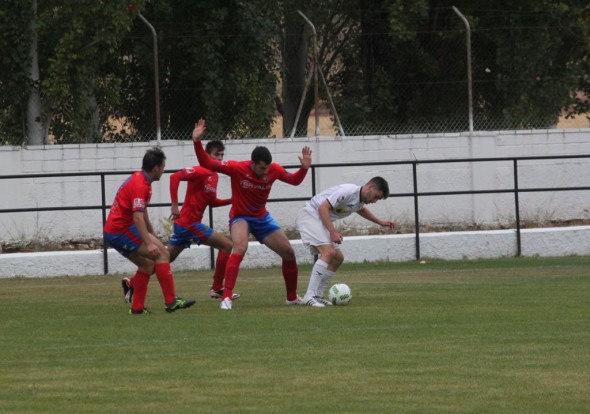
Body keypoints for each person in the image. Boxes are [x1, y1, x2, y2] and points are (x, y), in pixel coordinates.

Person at [191, 118, 312, 310]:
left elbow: (294, 181)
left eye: (267, 168)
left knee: (289, 252)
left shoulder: (274, 170)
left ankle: (291, 297)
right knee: (240, 247)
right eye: (262, 167)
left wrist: (304, 168)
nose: (265, 172)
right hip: (240, 216)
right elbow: (206, 162)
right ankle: (227, 297)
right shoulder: (237, 168)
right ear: (253, 163)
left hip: (262, 217)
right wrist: (196, 142)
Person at [104, 147, 196, 315]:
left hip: (117, 229)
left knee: (147, 264)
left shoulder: (142, 180)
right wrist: (149, 242)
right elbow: (137, 217)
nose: (163, 170)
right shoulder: (141, 185)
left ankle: (137, 308)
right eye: (162, 167)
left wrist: (151, 232)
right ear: (155, 168)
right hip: (120, 230)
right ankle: (171, 301)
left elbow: (141, 210)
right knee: (162, 254)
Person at [296, 177, 395, 307]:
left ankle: (318, 295)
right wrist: (332, 232)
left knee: (338, 257)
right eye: (376, 197)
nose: (374, 201)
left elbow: (360, 209)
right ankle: (309, 295)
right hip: (310, 214)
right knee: (329, 253)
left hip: (319, 219)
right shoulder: (348, 191)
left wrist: (380, 222)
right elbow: (322, 208)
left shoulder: (360, 200)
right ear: (370, 187)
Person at [166, 140, 240, 301]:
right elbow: (174, 177)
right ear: (207, 156)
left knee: (165, 258)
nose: (220, 159)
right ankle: (217, 288)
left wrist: (232, 200)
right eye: (216, 155)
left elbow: (211, 202)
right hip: (189, 224)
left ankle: (133, 283)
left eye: (222, 155)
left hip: (185, 225)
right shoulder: (200, 170)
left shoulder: (214, 176)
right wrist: (174, 205)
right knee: (226, 245)